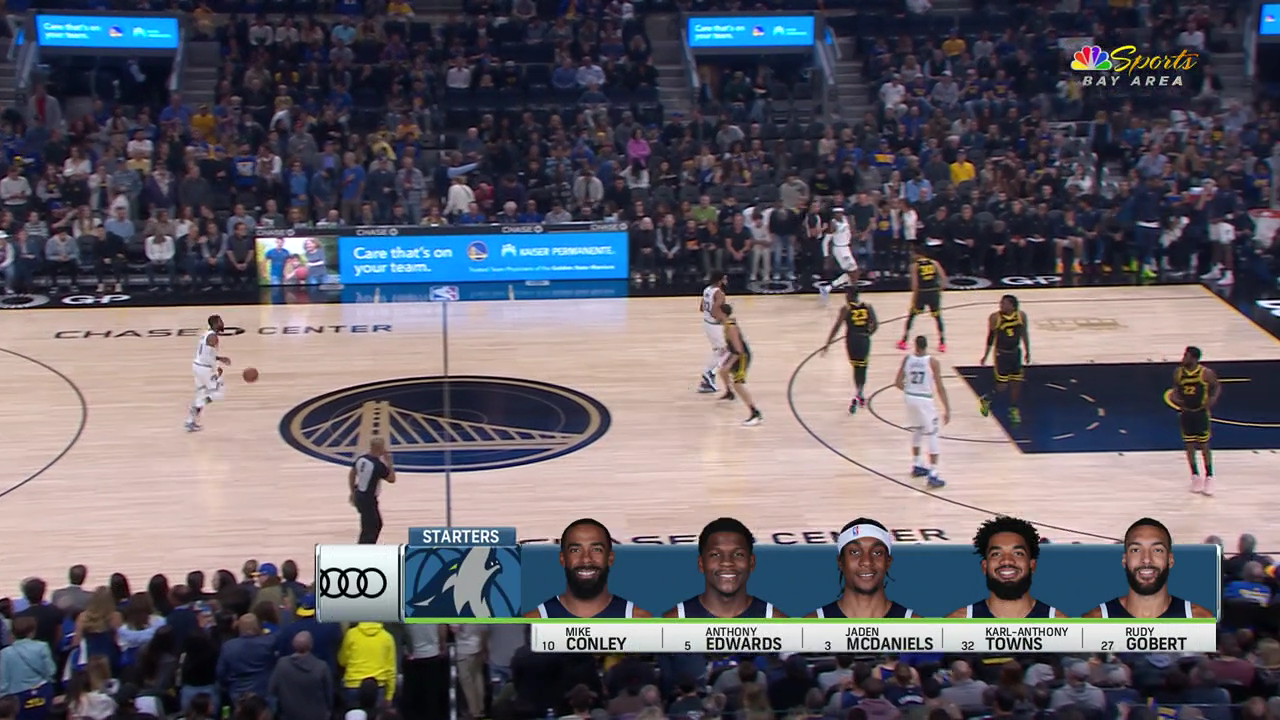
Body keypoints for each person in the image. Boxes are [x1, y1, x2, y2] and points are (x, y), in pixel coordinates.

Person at [1082, 517, 1213, 619]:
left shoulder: (1200, 619)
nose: (1146, 559)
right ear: (1124, 560)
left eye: (1157, 550)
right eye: (1136, 550)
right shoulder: (1094, 621)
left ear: (1170, 560)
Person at [526, 519, 653, 618]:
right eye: (575, 550)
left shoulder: (638, 620)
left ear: (610, 558)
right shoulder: (534, 622)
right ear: (562, 559)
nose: (586, 559)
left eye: (596, 550)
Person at [947, 516, 1068, 618]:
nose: (1007, 560)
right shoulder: (957, 623)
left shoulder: (1059, 624)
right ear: (984, 566)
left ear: (1032, 565)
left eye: (1018, 553)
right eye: (996, 554)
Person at [664, 517, 785, 618]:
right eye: (715, 555)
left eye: (738, 554)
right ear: (701, 564)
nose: (727, 562)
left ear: (751, 562)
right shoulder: (674, 621)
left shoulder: (776, 622)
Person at [806, 518, 917, 618]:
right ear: (840, 561)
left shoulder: (915, 626)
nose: (867, 562)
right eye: (855, 552)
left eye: (877, 553)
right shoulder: (811, 625)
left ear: (888, 562)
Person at [895, 335, 949, 489]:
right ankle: (933, 474)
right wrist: (947, 408)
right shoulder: (932, 362)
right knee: (932, 434)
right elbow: (940, 387)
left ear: (915, 345)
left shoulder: (907, 359)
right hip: (924, 399)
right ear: (926, 345)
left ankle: (917, 464)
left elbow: (897, 382)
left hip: (910, 397)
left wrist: (910, 390)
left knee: (917, 430)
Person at [1171, 346, 1220, 495]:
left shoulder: (1206, 373)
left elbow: (1216, 387)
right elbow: (1176, 389)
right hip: (1186, 413)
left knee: (1204, 445)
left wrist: (1212, 399)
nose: (1183, 358)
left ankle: (1210, 476)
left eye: (1186, 356)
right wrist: (1175, 398)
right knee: (1189, 445)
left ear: (1194, 358)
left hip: (1200, 413)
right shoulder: (1178, 373)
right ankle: (1195, 476)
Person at [823, 287, 878, 413]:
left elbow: (837, 327)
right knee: (862, 368)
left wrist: (828, 343)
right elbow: (875, 324)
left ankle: (859, 394)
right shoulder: (868, 307)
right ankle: (859, 393)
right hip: (864, 339)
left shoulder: (846, 309)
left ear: (848, 296)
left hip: (852, 341)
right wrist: (868, 333)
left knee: (856, 368)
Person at [979, 294, 1030, 426]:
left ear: (1012, 305)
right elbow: (990, 338)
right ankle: (986, 398)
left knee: (1016, 383)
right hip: (1001, 355)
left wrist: (1027, 351)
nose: (1000, 305)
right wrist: (985, 356)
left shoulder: (1021, 316)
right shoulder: (995, 317)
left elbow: (1024, 333)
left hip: (1015, 353)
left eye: (1004, 303)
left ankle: (1014, 408)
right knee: (1002, 386)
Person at [719, 303, 763, 426]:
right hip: (736, 354)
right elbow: (733, 344)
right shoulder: (727, 324)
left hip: (741, 357)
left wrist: (729, 363)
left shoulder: (731, 326)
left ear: (722, 313)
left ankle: (755, 413)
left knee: (738, 384)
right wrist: (726, 350)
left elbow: (739, 350)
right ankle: (729, 393)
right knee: (722, 371)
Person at [185, 314, 230, 432]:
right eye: (220, 321)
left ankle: (190, 422)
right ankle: (197, 405)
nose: (222, 324)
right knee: (218, 393)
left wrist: (220, 359)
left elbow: (207, 353)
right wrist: (217, 369)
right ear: (215, 324)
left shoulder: (207, 334)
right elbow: (208, 357)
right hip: (204, 369)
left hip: (197, 365)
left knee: (201, 393)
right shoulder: (213, 337)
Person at [897, 245, 947, 352]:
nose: (911, 255)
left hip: (922, 293)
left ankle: (904, 341)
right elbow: (943, 278)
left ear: (917, 254)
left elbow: (915, 284)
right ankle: (942, 343)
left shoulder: (914, 266)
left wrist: (914, 298)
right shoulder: (934, 263)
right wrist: (939, 291)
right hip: (933, 292)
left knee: (912, 316)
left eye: (913, 253)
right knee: (937, 318)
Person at [349, 437, 395, 544]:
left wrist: (352, 492)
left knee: (372, 524)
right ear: (380, 448)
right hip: (368, 499)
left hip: (359, 495)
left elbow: (352, 473)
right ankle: (365, 548)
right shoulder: (378, 465)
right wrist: (389, 462)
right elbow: (392, 479)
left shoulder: (361, 459)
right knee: (372, 526)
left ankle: (366, 546)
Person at [698, 271, 729, 393]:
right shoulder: (719, 293)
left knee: (719, 351)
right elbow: (714, 312)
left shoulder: (707, 289)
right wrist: (726, 321)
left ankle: (706, 383)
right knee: (727, 352)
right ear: (720, 280)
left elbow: (702, 308)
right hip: (715, 326)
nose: (726, 281)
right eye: (725, 279)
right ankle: (709, 373)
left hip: (707, 324)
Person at [819, 206, 859, 300]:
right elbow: (825, 242)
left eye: (841, 213)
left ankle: (831, 288)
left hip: (846, 248)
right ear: (834, 215)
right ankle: (831, 288)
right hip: (840, 249)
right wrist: (826, 256)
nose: (839, 215)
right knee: (853, 272)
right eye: (837, 213)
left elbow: (850, 232)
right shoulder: (833, 224)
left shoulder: (846, 220)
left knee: (854, 272)